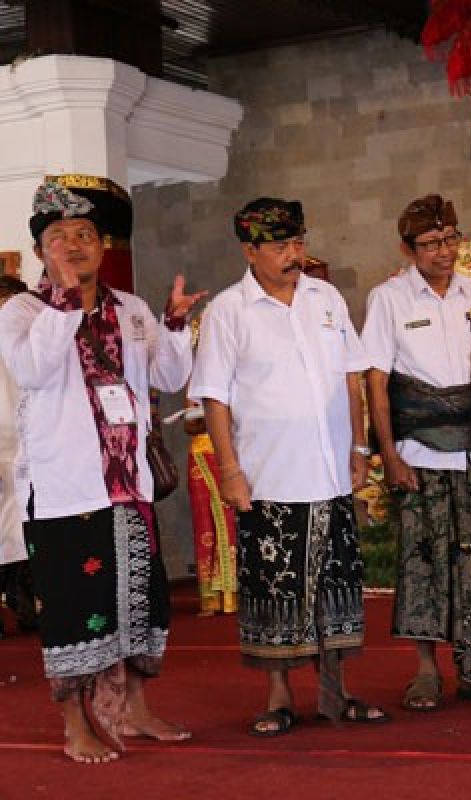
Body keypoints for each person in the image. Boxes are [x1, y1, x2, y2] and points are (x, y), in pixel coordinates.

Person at [0, 177, 203, 762]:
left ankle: (135, 711)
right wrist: (63, 299)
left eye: (86, 234)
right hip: (65, 490)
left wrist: (175, 325)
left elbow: (166, 377)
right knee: (70, 609)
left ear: (102, 246)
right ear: (41, 251)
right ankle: (75, 723)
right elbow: (35, 370)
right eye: (60, 237)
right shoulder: (23, 310)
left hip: (128, 484)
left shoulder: (129, 308)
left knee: (140, 602)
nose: (75, 245)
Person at [190, 197, 388, 736]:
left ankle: (335, 695)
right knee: (273, 589)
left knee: (335, 586)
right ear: (250, 250)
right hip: (269, 477)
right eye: (280, 246)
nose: (293, 255)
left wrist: (359, 447)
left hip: (329, 472)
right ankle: (278, 698)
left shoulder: (325, 298)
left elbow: (352, 375)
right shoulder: (229, 311)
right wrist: (230, 470)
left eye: (297, 243)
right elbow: (214, 397)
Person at [361, 194, 471, 712]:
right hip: (418, 451)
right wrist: (389, 453)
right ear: (407, 249)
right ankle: (426, 672)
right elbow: (376, 379)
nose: (445, 251)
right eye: (431, 244)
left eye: (451, 239)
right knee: (422, 562)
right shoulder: (389, 300)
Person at [183, 313, 238, 616]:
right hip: (203, 454)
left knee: (234, 521)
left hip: (233, 452)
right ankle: (213, 594)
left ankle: (236, 592)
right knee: (207, 522)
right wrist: (213, 418)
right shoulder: (195, 375)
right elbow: (190, 425)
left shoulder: (236, 368)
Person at [0, 275, 36, 638]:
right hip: (4, 446)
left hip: (28, 447)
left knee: (24, 532)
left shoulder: (29, 340)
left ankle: (28, 606)